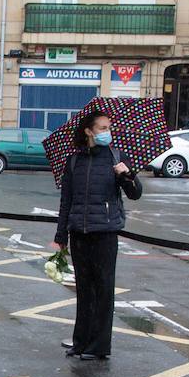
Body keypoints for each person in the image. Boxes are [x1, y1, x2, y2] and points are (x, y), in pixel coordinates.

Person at [50, 111, 143, 361]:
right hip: (79, 232)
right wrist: (61, 236)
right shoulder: (74, 161)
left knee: (103, 289)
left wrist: (126, 175)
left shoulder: (116, 158)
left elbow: (135, 194)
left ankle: (99, 346)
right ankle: (80, 342)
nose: (106, 132)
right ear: (88, 131)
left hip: (105, 232)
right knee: (83, 289)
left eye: (107, 128)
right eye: (102, 128)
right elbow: (66, 200)